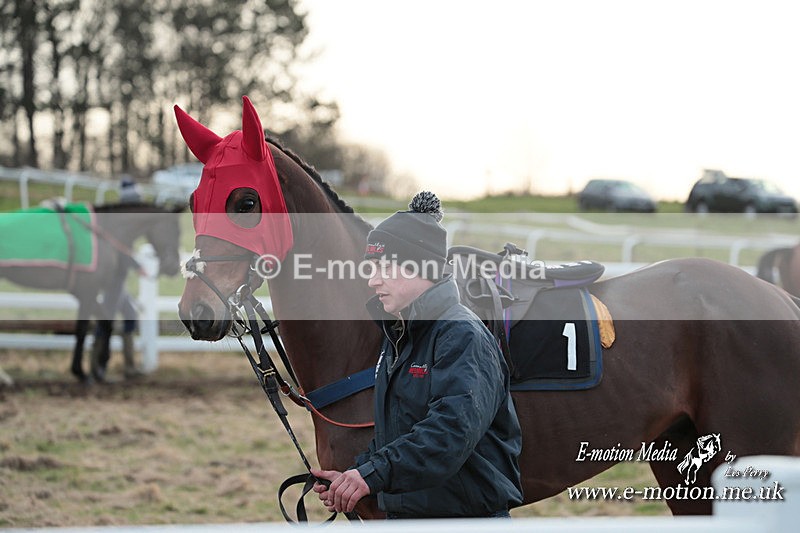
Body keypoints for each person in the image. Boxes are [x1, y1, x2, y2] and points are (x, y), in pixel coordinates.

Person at [312, 191, 523, 519]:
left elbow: (449, 434)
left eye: (384, 266)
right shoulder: (399, 336)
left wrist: (371, 475)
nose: (372, 280)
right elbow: (398, 433)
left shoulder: (462, 335)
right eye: (371, 267)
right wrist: (355, 475)